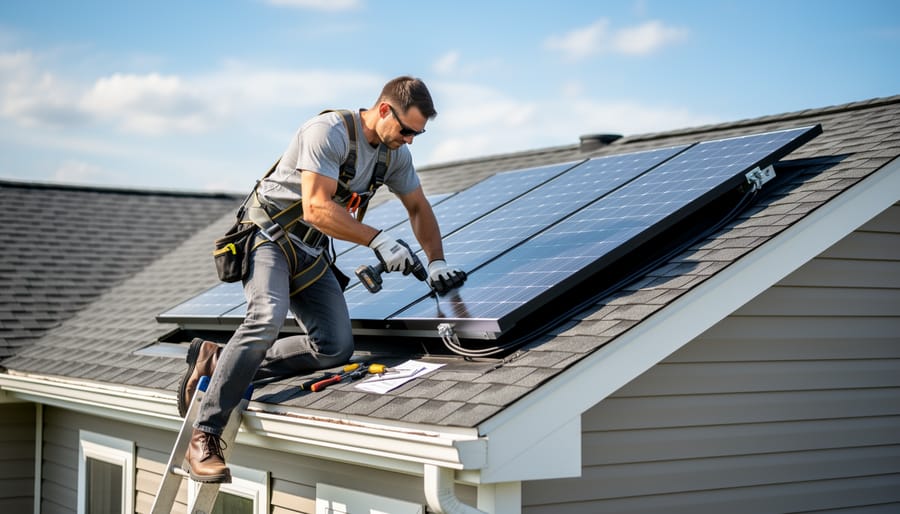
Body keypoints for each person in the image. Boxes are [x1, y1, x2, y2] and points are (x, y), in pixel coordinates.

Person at [178, 76, 466, 483]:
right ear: (385, 110)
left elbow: (418, 207)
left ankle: (219, 360)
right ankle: (205, 433)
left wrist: (436, 262)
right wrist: (378, 239)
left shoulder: (394, 156)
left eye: (417, 134)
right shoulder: (328, 132)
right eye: (406, 130)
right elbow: (315, 208)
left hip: (312, 253)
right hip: (270, 237)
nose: (410, 141)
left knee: (335, 347)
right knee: (266, 317)